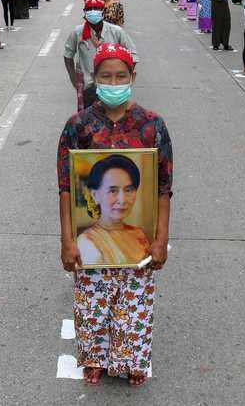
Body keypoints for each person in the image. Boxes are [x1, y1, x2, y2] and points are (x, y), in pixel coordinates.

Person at [57, 42, 173, 387]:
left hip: (138, 248)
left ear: (132, 76)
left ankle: (132, 358)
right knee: (91, 300)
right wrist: (67, 241)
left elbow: (163, 188)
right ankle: (94, 358)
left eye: (120, 75)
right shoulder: (78, 126)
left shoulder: (152, 125)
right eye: (106, 76)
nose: (113, 81)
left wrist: (161, 239)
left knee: (135, 301)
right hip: (90, 242)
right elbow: (65, 187)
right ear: (95, 78)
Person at [63, 0, 137, 110]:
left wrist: (123, 78)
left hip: (112, 87)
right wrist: (75, 81)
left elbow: (133, 55)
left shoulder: (117, 32)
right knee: (87, 122)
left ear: (103, 10)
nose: (93, 12)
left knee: (115, 117)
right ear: (84, 12)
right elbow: (68, 55)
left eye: (96, 9)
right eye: (89, 9)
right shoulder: (78, 32)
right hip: (88, 87)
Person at [77, 154, 151, 265]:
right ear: (95, 195)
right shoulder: (87, 242)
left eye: (128, 190)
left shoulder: (139, 234)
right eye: (113, 191)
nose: (122, 200)